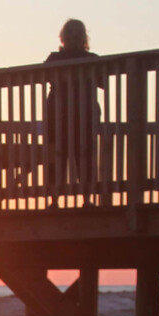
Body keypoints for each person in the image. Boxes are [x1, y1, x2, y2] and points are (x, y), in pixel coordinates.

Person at [43, 20, 102, 199]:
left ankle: (53, 199)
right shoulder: (91, 59)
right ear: (84, 37)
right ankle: (87, 198)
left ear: (63, 37)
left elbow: (44, 77)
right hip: (85, 115)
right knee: (85, 155)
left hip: (57, 114)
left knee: (56, 155)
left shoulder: (54, 59)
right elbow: (103, 82)